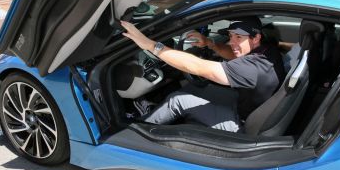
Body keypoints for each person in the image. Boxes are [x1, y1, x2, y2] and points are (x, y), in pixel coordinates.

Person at [120, 16, 284, 133]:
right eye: (230, 36)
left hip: (243, 124)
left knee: (177, 100)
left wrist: (150, 45)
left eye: (238, 37)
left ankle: (135, 132)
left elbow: (196, 66)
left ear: (256, 38)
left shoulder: (250, 69)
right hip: (249, 106)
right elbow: (234, 53)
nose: (231, 42)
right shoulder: (267, 51)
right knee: (194, 88)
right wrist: (209, 43)